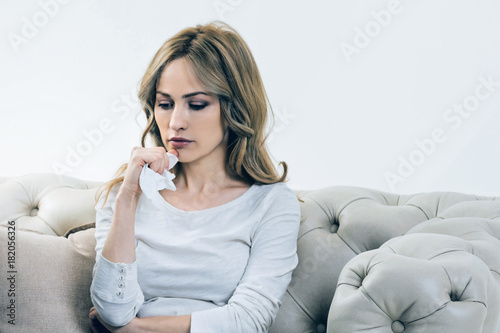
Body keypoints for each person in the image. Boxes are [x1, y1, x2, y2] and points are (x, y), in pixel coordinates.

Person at [88, 21, 300, 333]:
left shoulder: (272, 203)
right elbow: (113, 309)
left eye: (197, 104)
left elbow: (248, 321)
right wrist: (127, 200)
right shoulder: (124, 194)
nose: (175, 122)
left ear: (235, 108)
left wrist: (134, 329)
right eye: (165, 104)